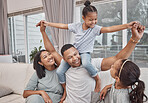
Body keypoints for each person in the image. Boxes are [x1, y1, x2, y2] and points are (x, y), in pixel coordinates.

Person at [36, 0, 138, 94]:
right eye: (90, 20)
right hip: (74, 51)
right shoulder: (76, 27)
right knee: (59, 71)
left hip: (85, 54)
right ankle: (65, 89)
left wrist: (126, 26)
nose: (93, 22)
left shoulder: (95, 29)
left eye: (95, 19)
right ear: (83, 18)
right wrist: (47, 24)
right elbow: (62, 26)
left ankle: (97, 79)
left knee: (85, 63)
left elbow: (109, 29)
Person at [37, 20, 145, 103]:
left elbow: (117, 59)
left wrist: (134, 39)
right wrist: (42, 31)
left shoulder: (92, 64)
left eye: (76, 54)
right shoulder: (64, 66)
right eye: (69, 57)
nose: (75, 59)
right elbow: (51, 50)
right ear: (65, 59)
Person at [23, 37, 63, 103]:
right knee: (34, 99)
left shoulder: (60, 70)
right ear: (40, 63)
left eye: (49, 54)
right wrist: (42, 92)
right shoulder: (38, 73)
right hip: (38, 99)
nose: (49, 57)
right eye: (45, 57)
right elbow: (25, 93)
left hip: (55, 100)